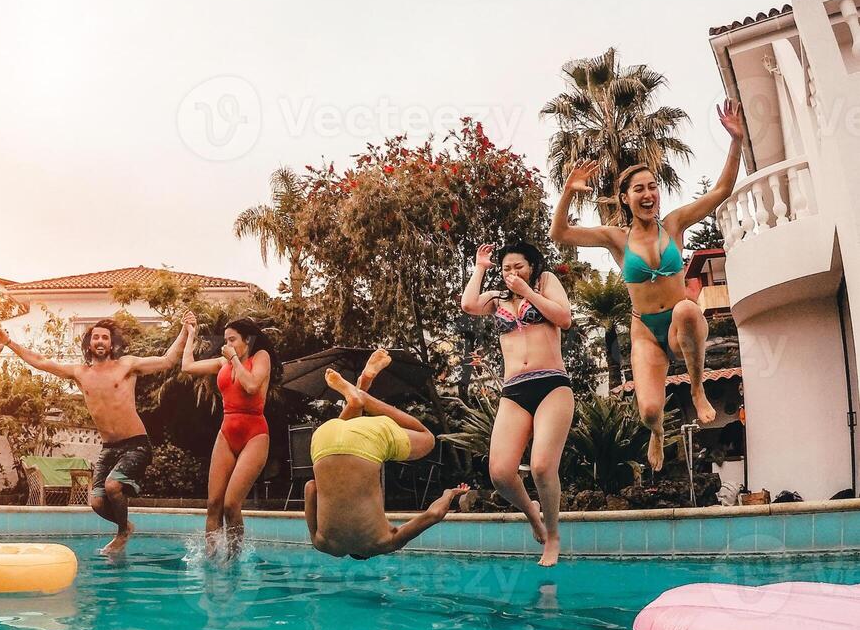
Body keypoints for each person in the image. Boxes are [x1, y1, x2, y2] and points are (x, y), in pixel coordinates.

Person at [551, 98, 744, 470]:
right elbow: (560, 233)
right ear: (626, 198)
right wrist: (569, 191)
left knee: (688, 308)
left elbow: (721, 190)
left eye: (653, 187)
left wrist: (734, 140)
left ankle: (697, 387)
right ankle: (657, 434)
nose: (649, 194)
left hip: (678, 324)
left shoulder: (674, 225)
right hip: (644, 332)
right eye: (639, 189)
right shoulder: (616, 239)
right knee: (649, 410)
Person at [0, 316, 189, 556]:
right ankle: (126, 525)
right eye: (95, 337)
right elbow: (42, 361)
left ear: (112, 344)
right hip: (108, 448)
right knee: (96, 503)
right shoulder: (80, 373)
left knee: (113, 486)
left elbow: (168, 360)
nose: (100, 341)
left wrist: (184, 330)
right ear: (89, 344)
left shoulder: (127, 365)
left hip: (136, 444)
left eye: (105, 338)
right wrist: (9, 342)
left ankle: (122, 533)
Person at [461, 240, 574, 566]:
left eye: (518, 266)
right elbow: (469, 304)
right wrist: (481, 268)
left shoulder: (545, 282)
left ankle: (552, 536)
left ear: (532, 266)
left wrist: (527, 290)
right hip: (514, 390)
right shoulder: (497, 300)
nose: (511, 273)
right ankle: (532, 514)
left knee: (541, 466)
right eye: (506, 268)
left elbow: (564, 318)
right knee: (499, 473)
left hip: (552, 384)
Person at [303, 350, 468, 559]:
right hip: (323, 439)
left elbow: (434, 514)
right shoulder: (322, 544)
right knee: (347, 432)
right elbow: (311, 488)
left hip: (367, 444)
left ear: (367, 554)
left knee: (427, 439)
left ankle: (363, 397)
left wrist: (450, 493)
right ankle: (355, 397)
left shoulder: (385, 542)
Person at [180, 313, 279, 557]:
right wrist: (190, 335)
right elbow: (187, 367)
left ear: (248, 340)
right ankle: (212, 560)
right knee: (213, 504)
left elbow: (252, 386)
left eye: (233, 339)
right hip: (227, 432)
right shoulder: (223, 363)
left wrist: (234, 358)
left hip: (254, 434)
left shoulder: (260, 358)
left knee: (231, 504)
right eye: (226, 340)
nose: (227, 345)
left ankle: (233, 561)